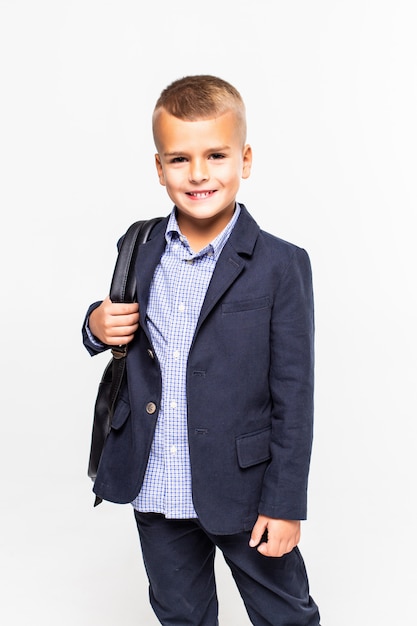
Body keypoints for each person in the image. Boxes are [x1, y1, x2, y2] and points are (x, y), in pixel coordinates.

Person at [83, 75, 321, 625]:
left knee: (284, 613)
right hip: (156, 478)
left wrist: (285, 503)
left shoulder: (282, 265)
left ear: (246, 158)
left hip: (243, 487)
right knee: (180, 614)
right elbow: (116, 330)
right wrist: (95, 326)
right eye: (179, 159)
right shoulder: (139, 244)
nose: (198, 174)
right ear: (159, 167)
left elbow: (295, 394)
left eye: (216, 155)